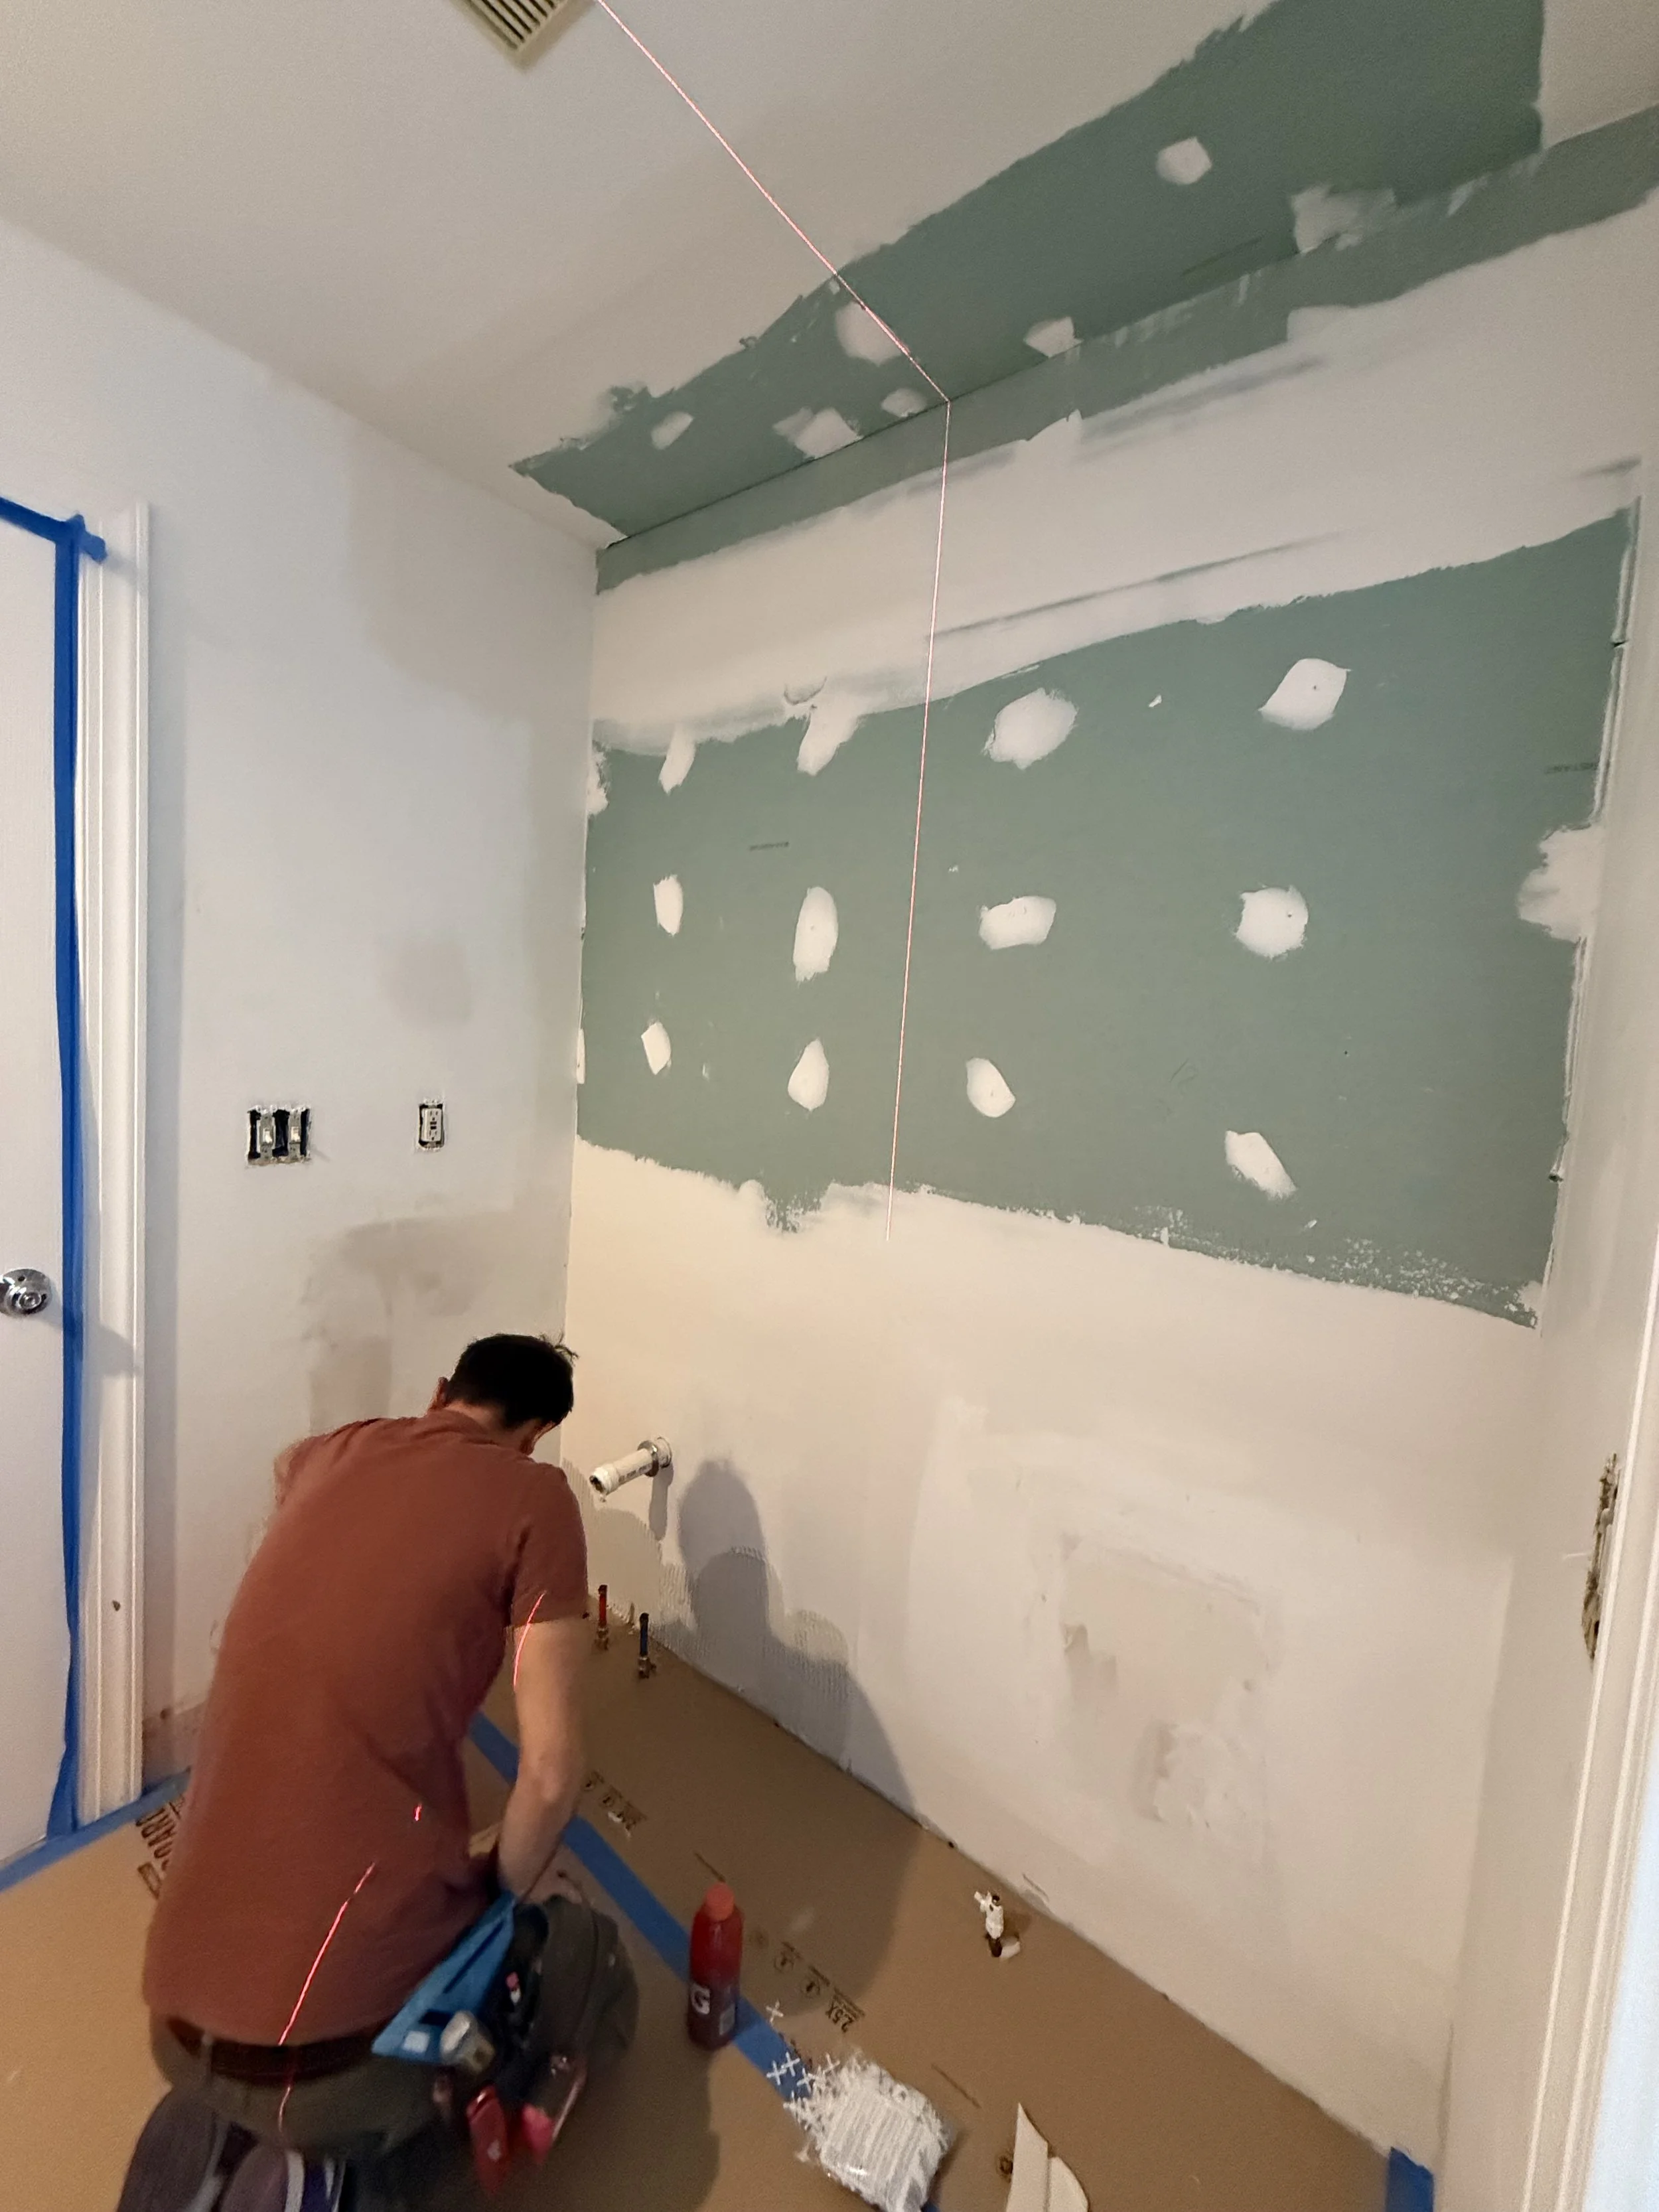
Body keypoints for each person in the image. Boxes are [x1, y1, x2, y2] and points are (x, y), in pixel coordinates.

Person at [117, 1334, 638, 2211]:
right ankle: (342, 2165)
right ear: (539, 1432)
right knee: (590, 1953)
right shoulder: (534, 1495)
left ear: (441, 1392)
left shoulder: (337, 1449)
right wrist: (493, 1895)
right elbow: (549, 1775)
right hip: (334, 2065)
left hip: (173, 2012)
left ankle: (233, 2135)